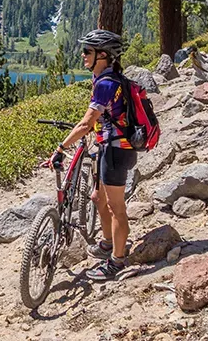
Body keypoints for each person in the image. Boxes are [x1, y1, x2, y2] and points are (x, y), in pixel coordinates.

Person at [50, 29, 136, 281]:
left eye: (87, 51)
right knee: (98, 197)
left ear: (103, 55)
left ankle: (117, 261)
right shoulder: (105, 79)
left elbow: (87, 123)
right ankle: (108, 243)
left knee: (116, 207)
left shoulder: (107, 83)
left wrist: (61, 148)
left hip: (116, 150)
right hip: (107, 147)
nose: (83, 54)